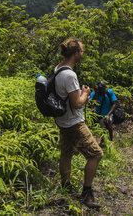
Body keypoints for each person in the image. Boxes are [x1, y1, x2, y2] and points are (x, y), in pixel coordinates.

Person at [53, 37, 103, 209]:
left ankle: (65, 186)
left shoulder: (58, 69)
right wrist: (85, 93)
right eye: (81, 51)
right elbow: (77, 103)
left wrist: (80, 96)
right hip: (74, 123)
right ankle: (87, 193)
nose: (83, 53)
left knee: (66, 153)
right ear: (75, 54)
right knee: (96, 154)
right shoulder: (70, 74)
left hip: (62, 120)